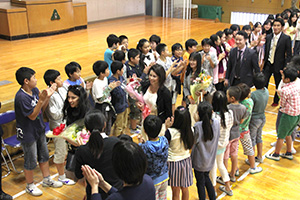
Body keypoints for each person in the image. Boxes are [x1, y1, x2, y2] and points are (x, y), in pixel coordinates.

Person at [14, 67, 62, 196]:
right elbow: (32, 115)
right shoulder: (21, 97)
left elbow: (40, 110)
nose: (36, 79)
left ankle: (47, 179)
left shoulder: (34, 90)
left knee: (44, 155)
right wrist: (41, 100)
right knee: (30, 159)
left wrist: (46, 98)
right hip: (28, 133)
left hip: (38, 129)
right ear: (26, 81)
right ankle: (30, 185)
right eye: (34, 77)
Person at [82, 141, 156, 200]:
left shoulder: (115, 198)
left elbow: (120, 196)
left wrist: (94, 186)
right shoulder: (148, 181)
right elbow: (123, 195)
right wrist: (102, 183)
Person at [75, 110, 122, 200]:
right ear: (104, 125)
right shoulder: (115, 142)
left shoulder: (82, 150)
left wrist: (81, 149)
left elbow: (79, 175)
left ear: (86, 128)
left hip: (94, 192)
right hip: (115, 190)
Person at [44, 69, 75, 185]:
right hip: (58, 127)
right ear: (52, 82)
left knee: (68, 150)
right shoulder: (49, 95)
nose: (62, 80)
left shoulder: (63, 89)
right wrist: (67, 108)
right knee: (60, 152)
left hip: (68, 124)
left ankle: (67, 171)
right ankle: (61, 177)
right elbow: (54, 115)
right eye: (59, 79)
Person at [266, 66, 300, 161]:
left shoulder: (285, 90)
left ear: (287, 79)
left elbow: (283, 104)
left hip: (288, 115)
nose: (282, 78)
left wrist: (279, 93)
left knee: (280, 136)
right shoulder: (297, 85)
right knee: (288, 134)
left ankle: (276, 155)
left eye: (283, 76)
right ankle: (288, 152)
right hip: (297, 114)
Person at [164, 106, 194, 200]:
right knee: (185, 189)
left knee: (175, 191)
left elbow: (164, 145)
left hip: (173, 163)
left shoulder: (170, 132)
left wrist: (166, 127)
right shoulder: (191, 130)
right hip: (186, 161)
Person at [191, 102, 219, 200]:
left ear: (198, 113)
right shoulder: (216, 123)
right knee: (207, 178)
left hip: (199, 162)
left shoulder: (197, 126)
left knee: (200, 183)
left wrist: (195, 120)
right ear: (212, 112)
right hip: (209, 160)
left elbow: (193, 141)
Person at [62, 85, 91, 179]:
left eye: (73, 98)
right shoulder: (69, 109)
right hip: (73, 147)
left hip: (86, 147)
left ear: (80, 98)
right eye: (69, 97)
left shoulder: (88, 111)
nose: (70, 100)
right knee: (70, 173)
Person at [263, 18, 292, 107]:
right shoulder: (268, 37)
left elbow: (289, 54)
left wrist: (285, 66)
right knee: (264, 83)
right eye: (274, 25)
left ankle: (276, 100)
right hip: (268, 63)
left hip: (279, 65)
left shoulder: (286, 38)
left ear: (282, 27)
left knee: (278, 83)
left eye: (278, 25)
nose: (275, 27)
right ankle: (263, 100)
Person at [139, 64, 172, 140]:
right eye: (150, 75)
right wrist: (139, 105)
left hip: (158, 124)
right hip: (145, 120)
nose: (151, 78)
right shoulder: (145, 85)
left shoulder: (165, 93)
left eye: (154, 76)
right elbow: (141, 100)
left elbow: (168, 112)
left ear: (160, 78)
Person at [139, 115, 169, 200]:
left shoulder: (144, 147)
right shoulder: (165, 140)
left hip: (152, 181)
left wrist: (140, 143)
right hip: (164, 177)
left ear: (144, 131)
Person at [210, 91, 233, 196]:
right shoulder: (230, 113)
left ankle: (213, 190)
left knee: (213, 167)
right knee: (221, 164)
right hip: (224, 143)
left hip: (215, 145)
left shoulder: (214, 117)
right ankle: (228, 187)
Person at [237, 83, 263, 174]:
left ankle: (235, 169)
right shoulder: (250, 102)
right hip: (245, 130)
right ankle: (253, 167)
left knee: (234, 151)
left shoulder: (237, 105)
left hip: (235, 131)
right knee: (249, 149)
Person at [224, 86, 247, 182]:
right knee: (234, 154)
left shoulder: (228, 108)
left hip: (228, 134)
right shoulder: (243, 107)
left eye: (227, 95)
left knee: (225, 157)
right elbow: (242, 120)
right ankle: (233, 174)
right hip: (237, 133)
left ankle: (224, 177)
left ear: (232, 98)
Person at [91, 60, 120, 135]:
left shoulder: (105, 79)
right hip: (101, 107)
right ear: (101, 73)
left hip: (108, 106)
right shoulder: (96, 83)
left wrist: (112, 87)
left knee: (109, 126)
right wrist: (109, 88)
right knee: (102, 127)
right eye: (107, 69)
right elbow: (100, 98)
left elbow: (106, 91)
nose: (109, 71)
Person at [125, 48, 148, 134]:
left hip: (138, 92)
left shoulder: (137, 65)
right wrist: (144, 73)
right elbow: (136, 81)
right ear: (131, 59)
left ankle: (135, 125)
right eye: (137, 57)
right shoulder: (128, 68)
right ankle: (133, 128)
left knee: (138, 110)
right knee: (134, 110)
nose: (139, 59)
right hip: (133, 94)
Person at [249, 73, 269, 163]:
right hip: (262, 117)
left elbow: (250, 107)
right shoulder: (266, 91)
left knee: (252, 139)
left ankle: (252, 159)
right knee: (259, 137)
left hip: (254, 119)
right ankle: (260, 156)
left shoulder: (254, 94)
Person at [108, 61, 129, 136]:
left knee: (124, 125)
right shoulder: (112, 81)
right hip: (118, 107)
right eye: (122, 69)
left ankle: (123, 138)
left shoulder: (121, 77)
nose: (123, 71)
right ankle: (117, 141)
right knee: (119, 126)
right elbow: (118, 94)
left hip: (125, 104)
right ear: (118, 71)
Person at [171, 43, 186, 113]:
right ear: (173, 51)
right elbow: (173, 73)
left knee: (175, 98)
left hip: (178, 81)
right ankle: (173, 116)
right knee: (173, 100)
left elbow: (182, 71)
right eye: (177, 50)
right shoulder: (172, 60)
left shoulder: (181, 58)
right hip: (172, 81)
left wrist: (184, 66)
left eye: (181, 50)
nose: (180, 52)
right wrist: (181, 66)